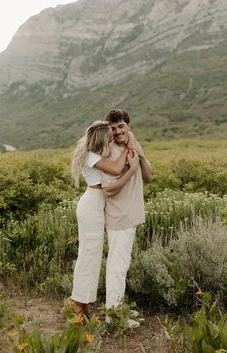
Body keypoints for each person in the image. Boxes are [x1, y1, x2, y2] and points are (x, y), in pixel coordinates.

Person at [68, 120, 139, 323]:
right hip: (91, 205)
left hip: (97, 205)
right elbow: (117, 170)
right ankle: (77, 305)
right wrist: (129, 151)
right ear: (101, 136)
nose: (112, 135)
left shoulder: (96, 154)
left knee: (92, 254)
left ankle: (82, 303)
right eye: (109, 132)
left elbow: (116, 162)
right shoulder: (92, 156)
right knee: (88, 255)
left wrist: (129, 142)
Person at [102, 109, 152, 315]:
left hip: (130, 216)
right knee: (117, 266)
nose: (118, 131)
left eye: (121, 126)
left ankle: (117, 307)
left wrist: (139, 155)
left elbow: (148, 176)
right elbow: (109, 189)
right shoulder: (109, 152)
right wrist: (130, 170)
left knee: (122, 264)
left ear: (128, 126)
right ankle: (114, 313)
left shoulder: (134, 146)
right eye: (113, 129)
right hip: (118, 216)